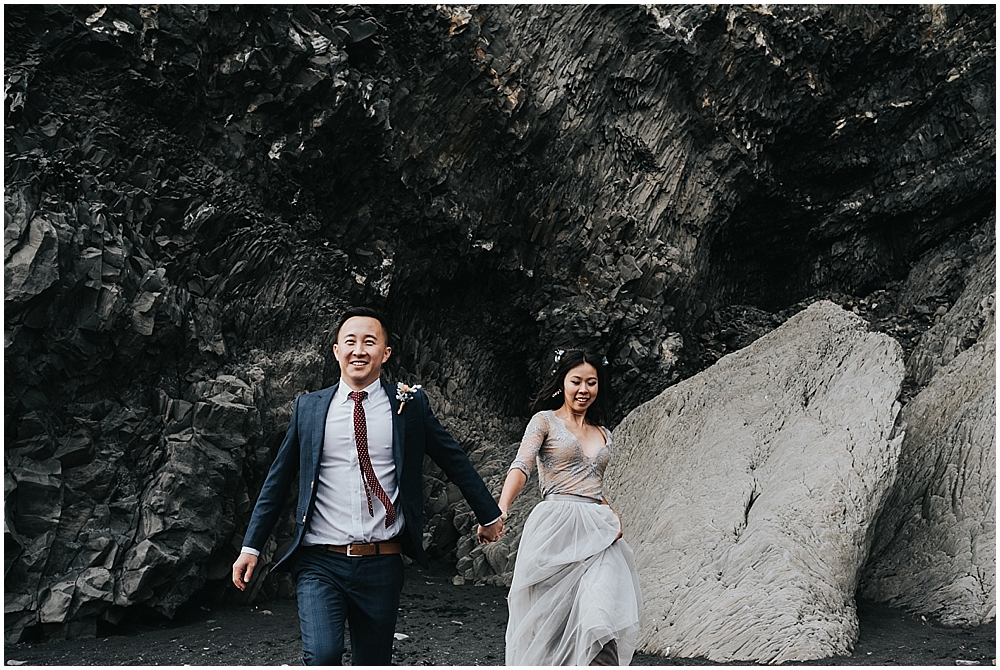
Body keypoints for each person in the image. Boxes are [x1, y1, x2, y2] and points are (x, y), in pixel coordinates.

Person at [232, 306, 504, 665]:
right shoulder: (309, 408)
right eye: (350, 342)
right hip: (319, 560)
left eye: (369, 342)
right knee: (323, 655)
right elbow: (278, 480)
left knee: (372, 662)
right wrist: (251, 547)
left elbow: (453, 459)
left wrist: (488, 514)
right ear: (336, 351)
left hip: (382, 561)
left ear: (385, 353)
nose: (359, 350)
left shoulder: (408, 405)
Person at [497, 349, 642, 666]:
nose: (584, 389)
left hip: (600, 534)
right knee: (550, 626)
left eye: (591, 382)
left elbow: (592, 482)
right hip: (555, 529)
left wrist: (609, 509)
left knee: (600, 619)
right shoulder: (544, 421)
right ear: (561, 383)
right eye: (576, 381)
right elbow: (521, 467)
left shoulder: (604, 432)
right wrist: (503, 508)